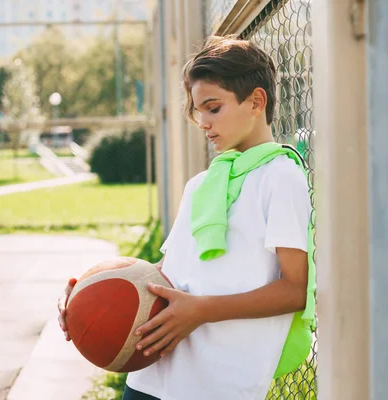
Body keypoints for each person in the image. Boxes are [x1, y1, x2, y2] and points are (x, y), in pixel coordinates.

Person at [57, 35, 314, 400]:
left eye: (214, 108)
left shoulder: (280, 178)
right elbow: (167, 273)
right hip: (154, 373)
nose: (203, 123)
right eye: (198, 112)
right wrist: (91, 292)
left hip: (219, 382)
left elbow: (294, 289)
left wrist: (202, 311)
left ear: (256, 101)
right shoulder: (201, 185)